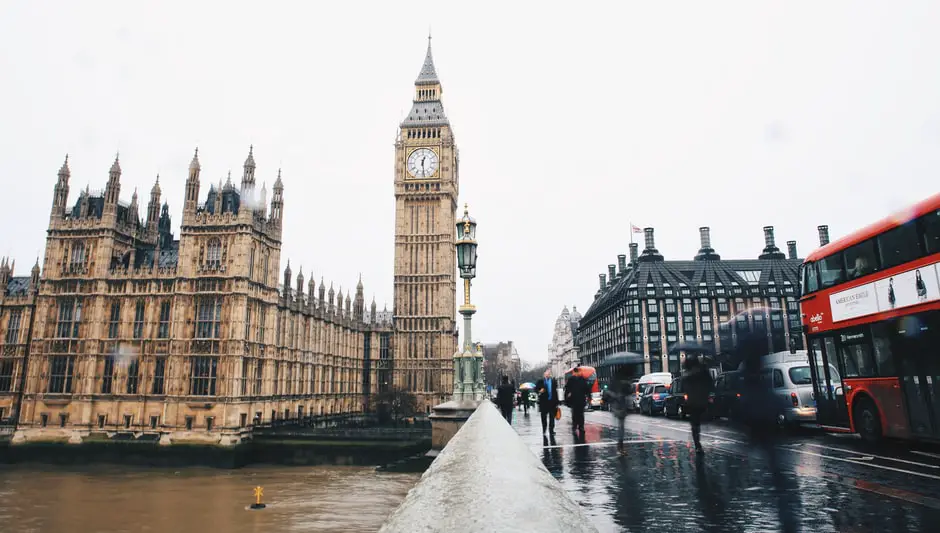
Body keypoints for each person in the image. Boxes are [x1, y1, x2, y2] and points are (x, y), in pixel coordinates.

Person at [682, 354, 714, 453]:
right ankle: (698, 444)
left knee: (695, 424)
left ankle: (697, 444)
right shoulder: (702, 373)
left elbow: (684, 387)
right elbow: (710, 384)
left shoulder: (688, 375)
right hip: (701, 400)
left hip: (693, 402)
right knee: (698, 421)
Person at [603, 368, 633, 453]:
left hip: (620, 406)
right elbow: (628, 392)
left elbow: (629, 391)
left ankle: (620, 444)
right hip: (619, 406)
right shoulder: (618, 383)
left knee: (621, 426)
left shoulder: (616, 382)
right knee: (621, 426)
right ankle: (620, 444)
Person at [565, 367, 590, 440]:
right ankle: (575, 426)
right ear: (575, 372)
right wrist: (567, 396)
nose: (579, 373)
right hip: (574, 400)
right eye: (578, 372)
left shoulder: (582, 379)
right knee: (575, 414)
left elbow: (586, 389)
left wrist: (588, 395)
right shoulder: (571, 380)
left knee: (580, 414)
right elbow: (567, 389)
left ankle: (580, 427)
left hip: (580, 400)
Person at [535, 369, 560, 436]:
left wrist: (557, 403)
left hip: (552, 402)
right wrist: (540, 391)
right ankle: (544, 429)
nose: (548, 375)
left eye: (549, 374)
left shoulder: (553, 381)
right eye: (547, 374)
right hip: (543, 402)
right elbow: (535, 389)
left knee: (552, 417)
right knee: (543, 417)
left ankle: (551, 430)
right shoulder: (540, 381)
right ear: (544, 374)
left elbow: (555, 392)